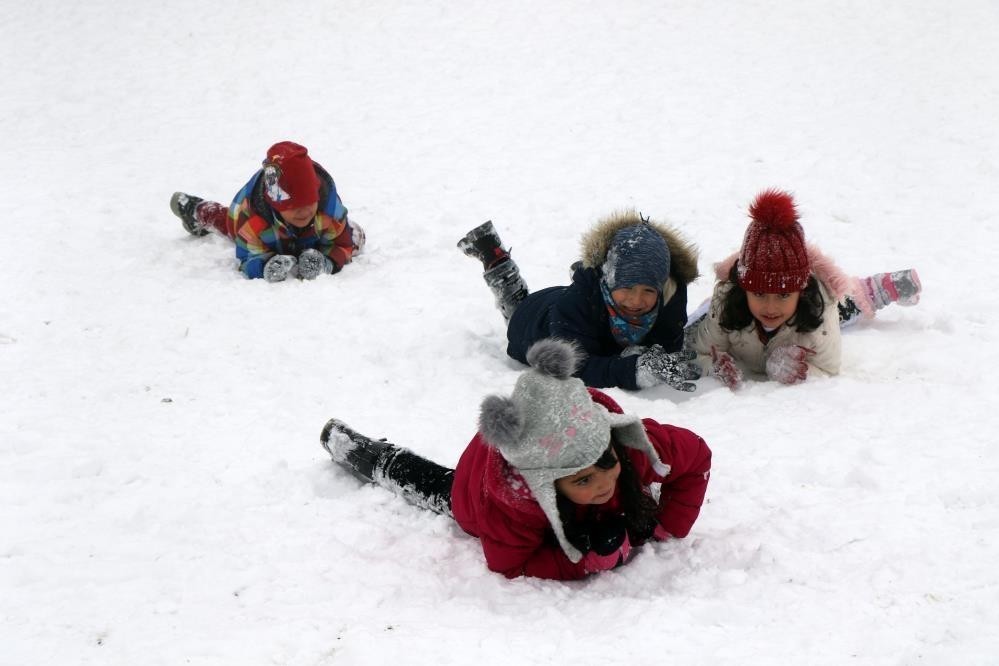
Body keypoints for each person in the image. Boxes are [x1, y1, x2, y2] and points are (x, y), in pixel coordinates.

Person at [321, 338, 712, 581]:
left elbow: (696, 458)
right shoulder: (513, 505)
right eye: (582, 480)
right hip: (476, 490)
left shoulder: (628, 444)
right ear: (547, 483)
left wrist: (666, 525)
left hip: (538, 446)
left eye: (606, 464)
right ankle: (364, 454)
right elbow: (509, 564)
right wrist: (582, 562)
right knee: (436, 486)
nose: (603, 483)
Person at [686, 188, 922, 388]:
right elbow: (698, 353)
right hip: (735, 310)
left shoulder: (820, 310)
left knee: (844, 306)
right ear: (744, 288)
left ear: (801, 290)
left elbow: (829, 369)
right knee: (699, 321)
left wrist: (797, 370)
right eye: (758, 293)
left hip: (808, 314)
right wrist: (713, 367)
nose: (770, 307)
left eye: (783, 294)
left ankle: (874, 290)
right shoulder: (726, 304)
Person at [457, 212, 702, 392]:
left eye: (648, 290)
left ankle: (587, 279)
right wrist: (633, 370)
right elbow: (574, 368)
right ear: (609, 281)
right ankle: (496, 259)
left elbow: (668, 343)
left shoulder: (670, 294)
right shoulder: (574, 305)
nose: (637, 300)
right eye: (627, 287)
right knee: (516, 306)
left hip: (582, 307)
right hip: (535, 321)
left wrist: (650, 356)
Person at [169, 141, 364, 281]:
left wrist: (327, 262)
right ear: (276, 204)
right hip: (262, 230)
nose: (304, 211)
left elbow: (343, 244)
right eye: (293, 206)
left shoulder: (329, 211)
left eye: (309, 202)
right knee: (228, 224)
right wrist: (265, 266)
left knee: (354, 236)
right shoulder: (252, 220)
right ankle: (197, 210)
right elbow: (247, 258)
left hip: (313, 234)